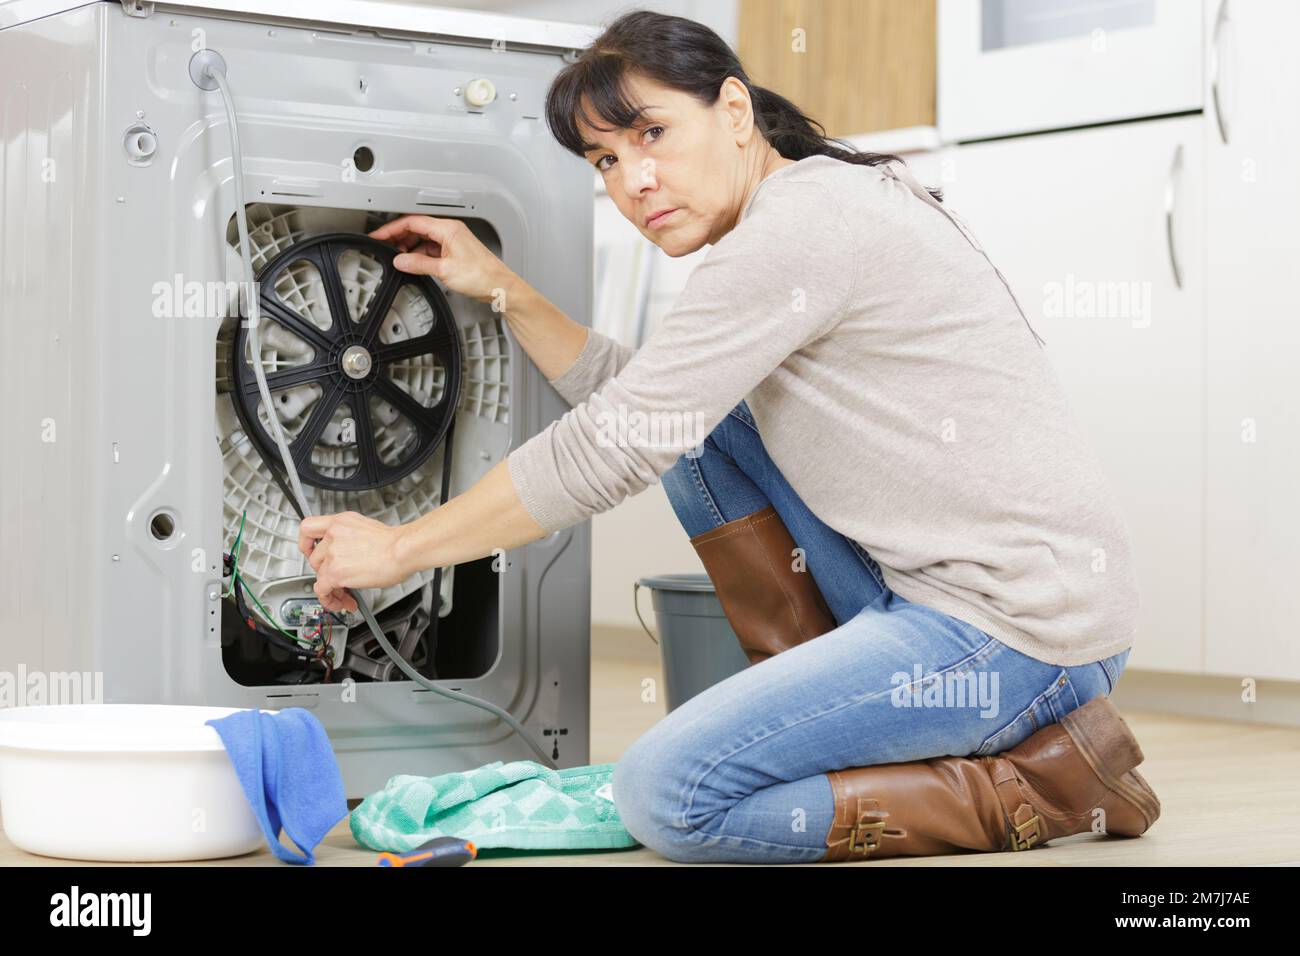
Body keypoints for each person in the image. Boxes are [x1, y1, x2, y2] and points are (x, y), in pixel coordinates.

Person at [297, 9, 1160, 863]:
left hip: (1015, 634)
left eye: (653, 133)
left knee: (668, 795)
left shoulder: (798, 231)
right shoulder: (801, 209)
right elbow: (651, 406)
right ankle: (839, 706)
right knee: (702, 434)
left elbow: (615, 445)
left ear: (737, 112)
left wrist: (403, 549)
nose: (633, 179)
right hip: (925, 593)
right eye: (606, 158)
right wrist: (505, 290)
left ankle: (1043, 787)